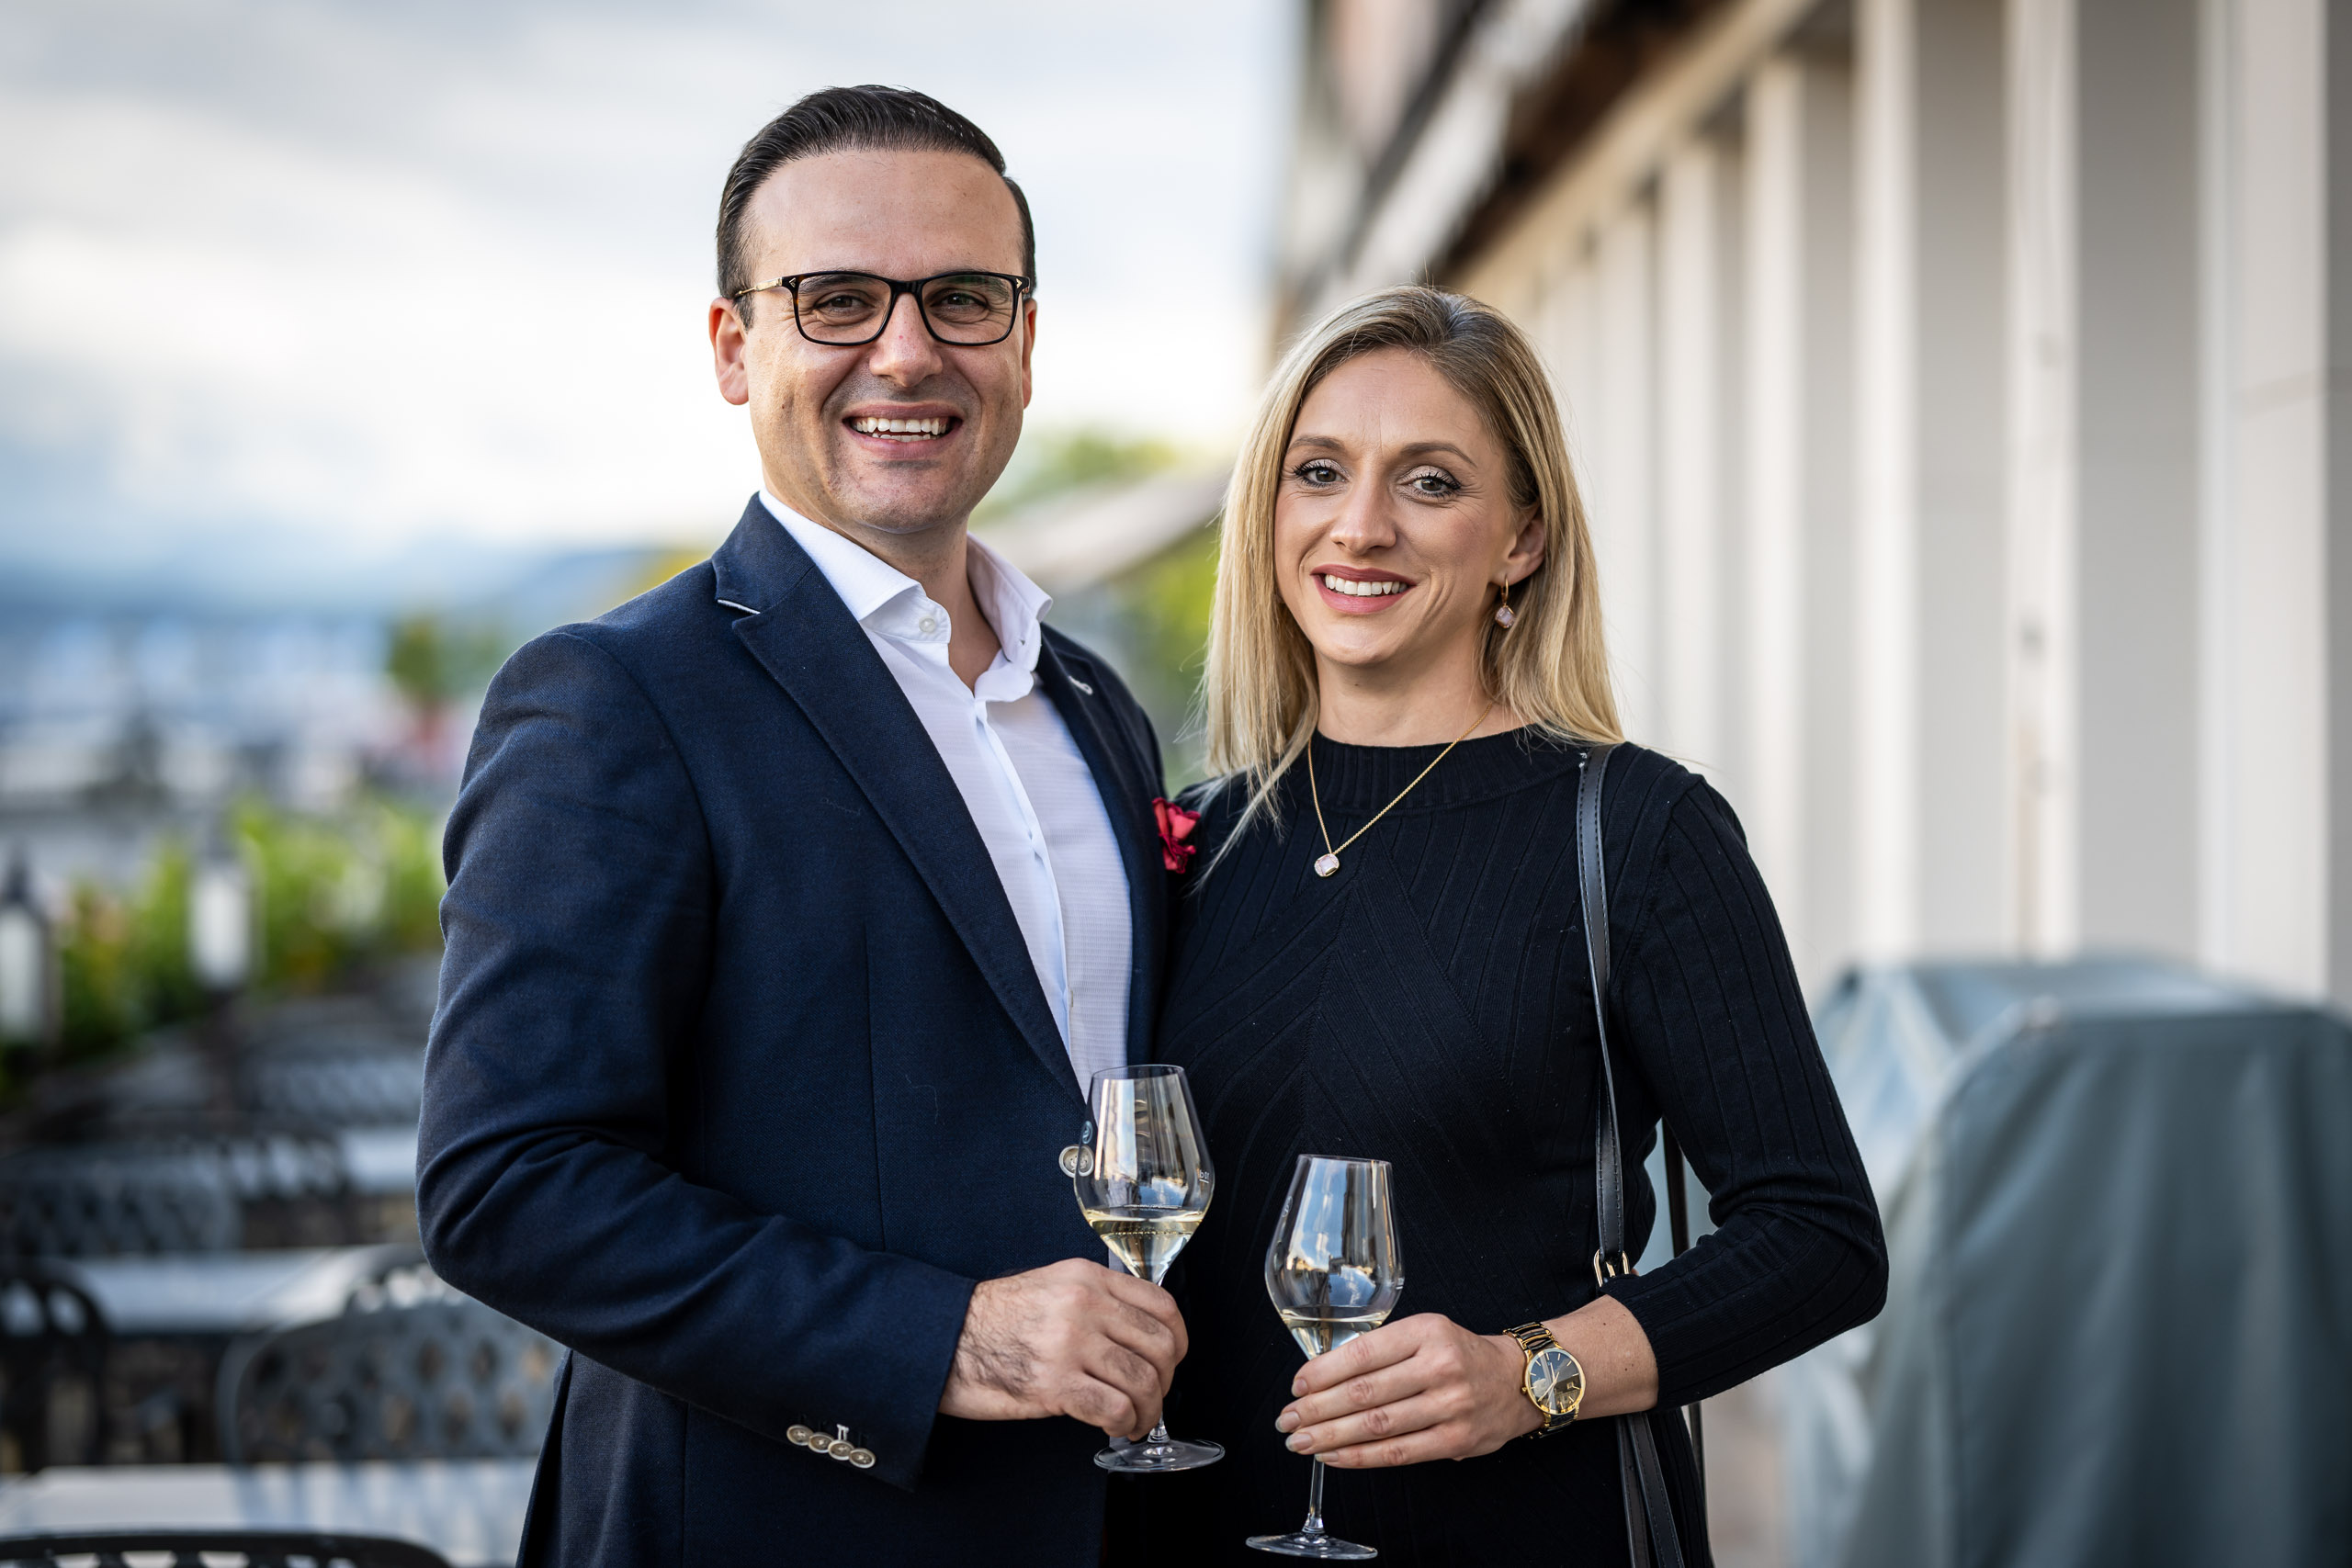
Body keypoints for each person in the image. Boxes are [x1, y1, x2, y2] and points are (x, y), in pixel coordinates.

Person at [416, 86, 1188, 1566]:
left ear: (1026, 340)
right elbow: (506, 1188)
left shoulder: (1093, 704)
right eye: (837, 299)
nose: (905, 351)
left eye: (963, 298)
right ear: (733, 348)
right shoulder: (616, 699)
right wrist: (946, 1338)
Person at [1136, 286, 1888, 1565]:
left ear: (1522, 539)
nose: (1360, 524)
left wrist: (1527, 1373)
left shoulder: (1637, 829)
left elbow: (1820, 1240)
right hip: (1203, 1528)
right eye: (1319, 471)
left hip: (1526, 1531)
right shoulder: (1192, 843)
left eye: (1430, 482)